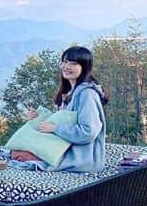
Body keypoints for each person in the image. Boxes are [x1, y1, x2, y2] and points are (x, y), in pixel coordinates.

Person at [12, 45, 109, 173]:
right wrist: (39, 117)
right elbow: (66, 120)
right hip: (63, 148)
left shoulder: (87, 94)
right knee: (16, 151)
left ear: (84, 67)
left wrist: (55, 128)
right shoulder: (69, 92)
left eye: (73, 63)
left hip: (82, 158)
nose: (66, 67)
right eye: (64, 61)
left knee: (21, 155)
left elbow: (88, 132)